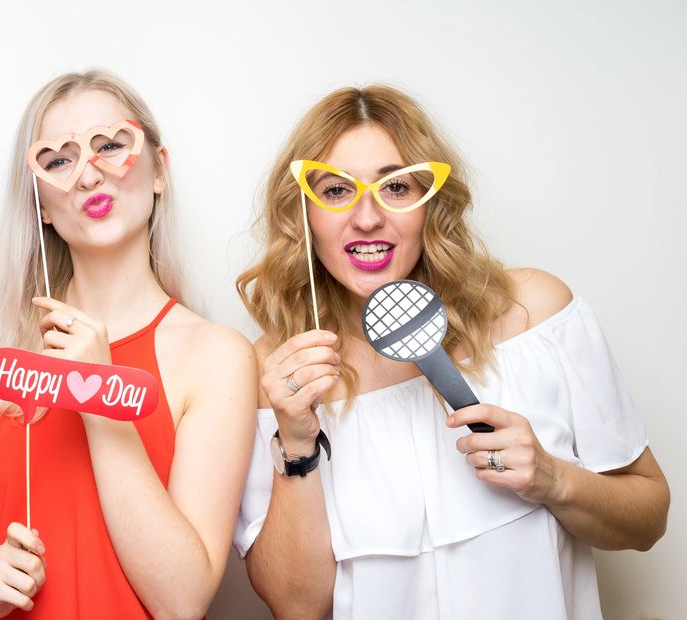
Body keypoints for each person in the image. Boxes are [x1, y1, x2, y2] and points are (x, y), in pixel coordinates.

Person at [234, 85, 670, 619]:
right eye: (335, 190)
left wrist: (554, 479)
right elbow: (297, 607)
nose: (367, 218)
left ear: (430, 204)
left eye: (396, 187)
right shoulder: (276, 377)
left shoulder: (535, 313)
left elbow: (648, 521)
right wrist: (296, 443)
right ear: (302, 212)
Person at [0, 70, 256, 619]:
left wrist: (99, 395)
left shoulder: (218, 357)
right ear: (42, 206)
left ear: (159, 171)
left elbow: (183, 602)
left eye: (110, 147)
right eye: (58, 161)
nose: (87, 177)